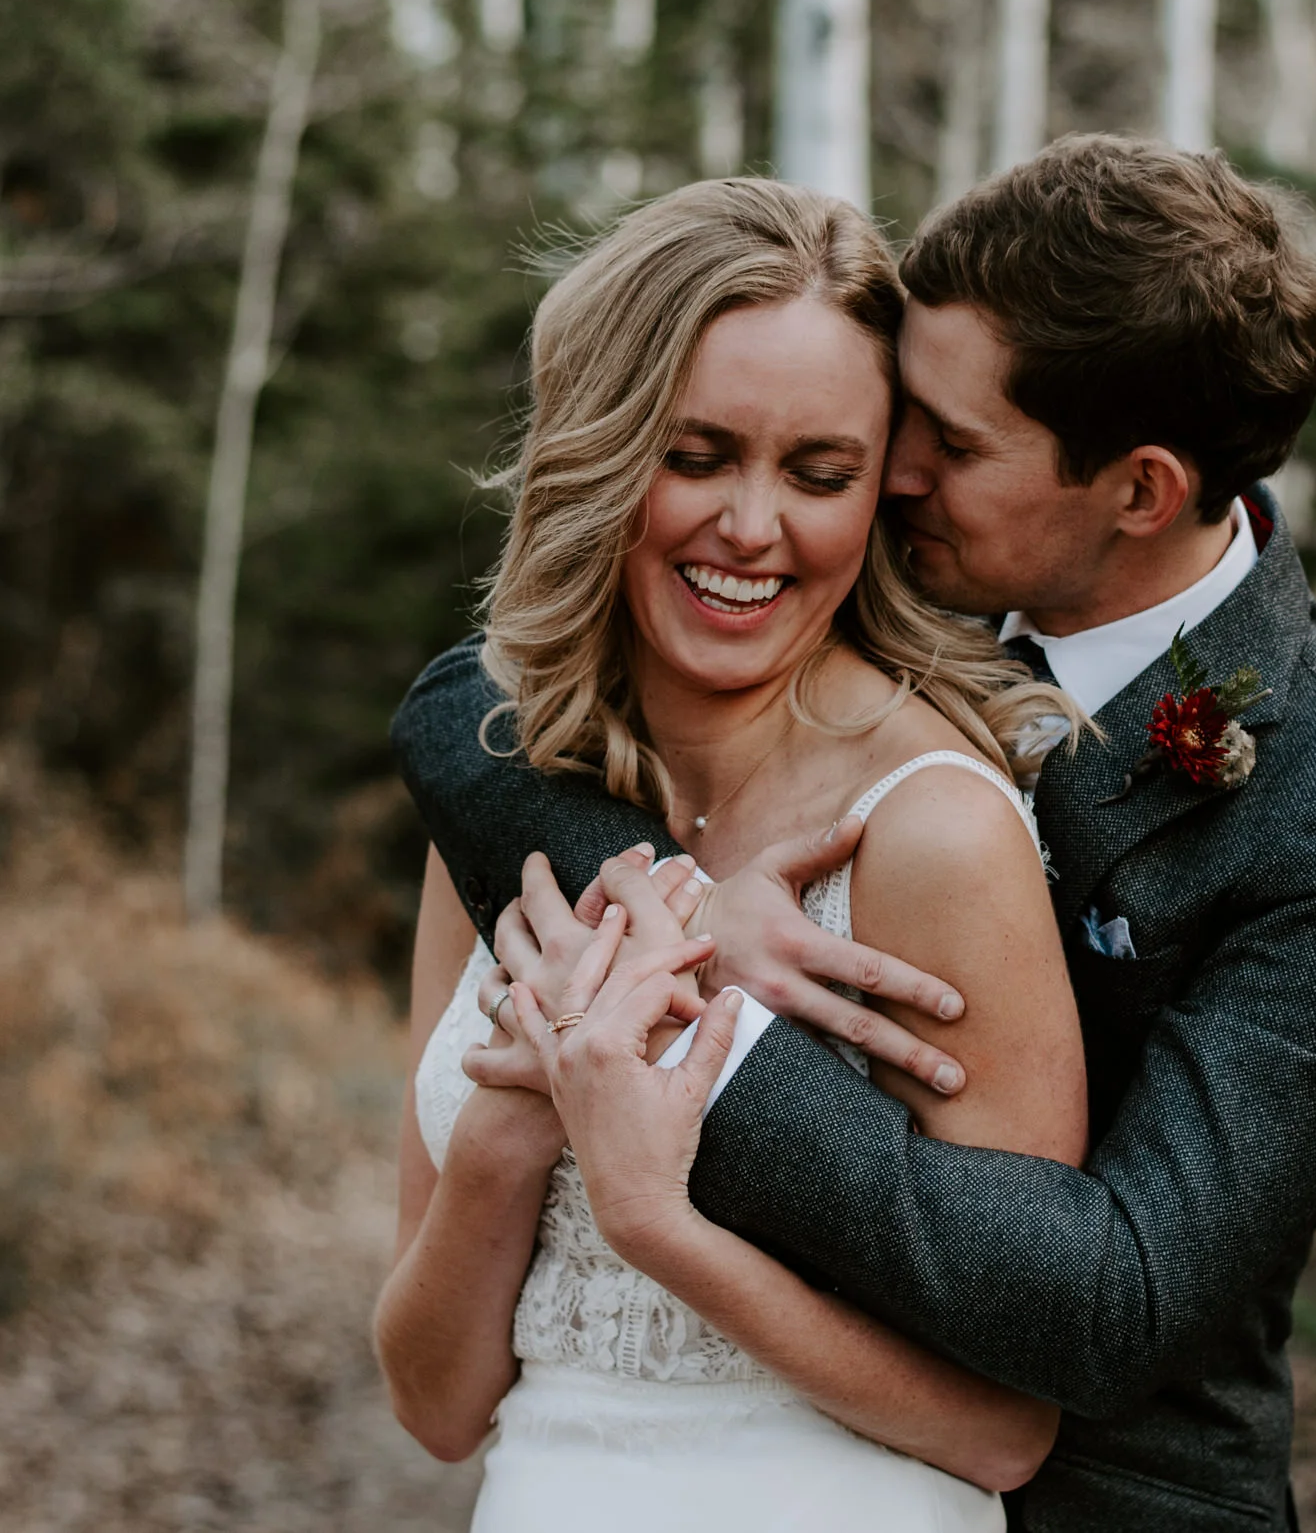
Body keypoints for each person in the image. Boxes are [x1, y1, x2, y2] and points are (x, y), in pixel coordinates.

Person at [403, 135, 1316, 1532]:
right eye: (897, 418)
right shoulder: (867, 578)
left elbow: (1113, 1300)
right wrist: (679, 899)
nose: (895, 472)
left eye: (951, 443)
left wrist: (687, 1015)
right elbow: (480, 698)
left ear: (1140, 491)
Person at [372, 176, 1097, 1533]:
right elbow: (436, 1406)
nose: (754, 529)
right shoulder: (510, 796)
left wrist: (657, 1221)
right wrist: (509, 1135)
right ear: (600, 450)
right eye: (696, 456)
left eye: (819, 475)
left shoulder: (930, 833)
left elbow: (1004, 1427)